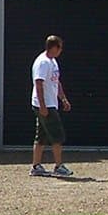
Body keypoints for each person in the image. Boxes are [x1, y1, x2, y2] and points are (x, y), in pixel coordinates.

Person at [31, 34, 73, 177]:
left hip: (51, 103)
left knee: (41, 136)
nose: (61, 50)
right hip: (45, 105)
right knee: (57, 135)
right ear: (54, 47)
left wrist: (63, 99)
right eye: (60, 47)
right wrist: (42, 105)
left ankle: (36, 166)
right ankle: (58, 166)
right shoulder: (43, 62)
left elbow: (56, 82)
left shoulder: (53, 62)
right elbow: (38, 83)